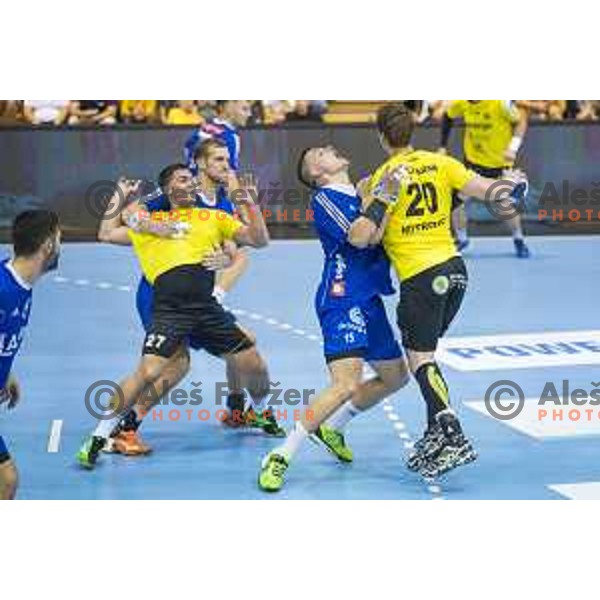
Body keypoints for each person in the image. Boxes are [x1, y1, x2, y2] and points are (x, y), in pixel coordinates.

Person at [352, 102, 527, 478]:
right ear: (412, 130)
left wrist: (372, 198)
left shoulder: (382, 177)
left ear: (381, 136)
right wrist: (513, 185)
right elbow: (492, 194)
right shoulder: (440, 163)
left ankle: (452, 432)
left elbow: (368, 239)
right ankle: (435, 432)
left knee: (422, 360)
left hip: (420, 277)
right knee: (426, 355)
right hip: (455, 272)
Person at [76, 163, 274, 469]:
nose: (192, 183)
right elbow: (105, 232)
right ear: (168, 189)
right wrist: (118, 195)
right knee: (151, 372)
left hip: (207, 310)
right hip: (169, 310)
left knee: (255, 364)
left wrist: (250, 204)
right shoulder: (151, 224)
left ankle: (260, 411)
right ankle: (99, 437)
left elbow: (259, 241)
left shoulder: (213, 217)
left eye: (193, 179)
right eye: (183, 179)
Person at [257, 146, 411, 492]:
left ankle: (334, 427)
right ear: (316, 171)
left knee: (396, 376)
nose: (331, 149)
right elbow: (359, 238)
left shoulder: (358, 191)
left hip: (368, 296)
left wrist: (380, 192)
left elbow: (376, 232)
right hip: (342, 297)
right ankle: (281, 455)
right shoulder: (326, 198)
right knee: (346, 383)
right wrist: (381, 195)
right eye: (320, 153)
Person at [0, 210, 61, 499]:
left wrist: (5, 372)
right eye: (59, 238)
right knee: (6, 479)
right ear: (48, 245)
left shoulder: (21, 285)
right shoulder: (4, 289)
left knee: (6, 480)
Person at [440, 100, 530, 257]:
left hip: (499, 165)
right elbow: (447, 116)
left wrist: (513, 147)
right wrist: (442, 146)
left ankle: (519, 240)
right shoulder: (462, 103)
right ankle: (462, 239)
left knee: (504, 205)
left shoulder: (500, 103)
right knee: (455, 201)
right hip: (472, 164)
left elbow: (521, 122)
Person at [184, 100, 251, 173]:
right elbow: (228, 175)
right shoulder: (231, 138)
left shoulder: (202, 128)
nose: (249, 114)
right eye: (244, 109)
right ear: (229, 107)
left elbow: (188, 154)